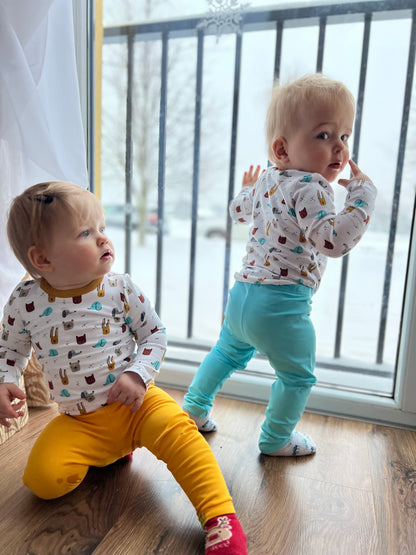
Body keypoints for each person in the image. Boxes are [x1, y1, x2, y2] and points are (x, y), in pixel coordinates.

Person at [0, 181, 247, 555]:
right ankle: (108, 453)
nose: (103, 239)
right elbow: (10, 348)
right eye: (86, 232)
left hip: (138, 407)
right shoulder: (25, 302)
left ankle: (220, 518)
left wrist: (137, 374)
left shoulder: (119, 289)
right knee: (42, 481)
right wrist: (5, 379)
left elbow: (155, 335)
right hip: (80, 421)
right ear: (43, 260)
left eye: (102, 228)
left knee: (180, 433)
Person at [183, 73, 377, 457]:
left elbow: (238, 211)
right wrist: (362, 199)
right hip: (282, 306)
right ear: (282, 149)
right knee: (297, 376)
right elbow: (333, 240)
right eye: (323, 135)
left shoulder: (269, 180)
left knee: (224, 354)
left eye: (345, 136)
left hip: (241, 298)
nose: (339, 148)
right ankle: (275, 438)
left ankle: (192, 411)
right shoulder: (313, 187)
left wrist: (245, 189)